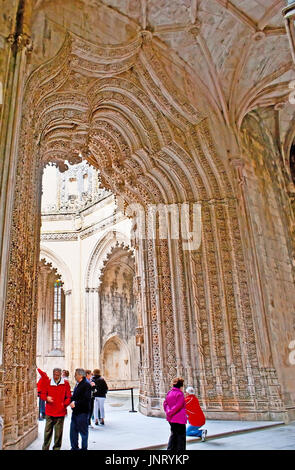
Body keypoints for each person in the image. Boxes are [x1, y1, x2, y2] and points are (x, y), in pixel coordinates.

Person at [40, 367, 71, 450]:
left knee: (58, 433)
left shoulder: (66, 383)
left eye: (57, 375)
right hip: (50, 411)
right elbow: (42, 394)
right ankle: (45, 448)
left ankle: (56, 448)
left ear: (60, 374)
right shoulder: (48, 382)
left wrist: (64, 404)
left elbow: (68, 397)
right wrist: (46, 398)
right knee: (47, 432)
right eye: (54, 375)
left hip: (60, 412)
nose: (56, 377)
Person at [70, 368, 92, 450]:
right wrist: (71, 400)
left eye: (75, 374)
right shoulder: (78, 383)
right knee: (73, 431)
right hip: (76, 412)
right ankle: (74, 447)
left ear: (80, 375)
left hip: (82, 412)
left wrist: (75, 403)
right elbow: (75, 396)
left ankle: (84, 448)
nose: (74, 376)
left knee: (83, 432)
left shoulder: (86, 385)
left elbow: (86, 399)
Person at [163, 377, 187, 451]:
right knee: (181, 437)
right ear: (181, 386)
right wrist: (171, 412)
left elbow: (165, 403)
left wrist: (168, 412)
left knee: (173, 435)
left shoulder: (169, 393)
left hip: (171, 419)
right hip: (179, 419)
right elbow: (178, 406)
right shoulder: (180, 394)